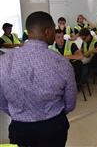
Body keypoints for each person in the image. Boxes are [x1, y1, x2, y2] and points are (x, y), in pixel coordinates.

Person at [0, 11, 77, 146]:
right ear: (47, 31)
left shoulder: (4, 61)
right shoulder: (62, 62)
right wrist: (55, 113)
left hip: (20, 128)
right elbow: (70, 103)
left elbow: (2, 101)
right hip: (53, 126)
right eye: (54, 30)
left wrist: (18, 114)